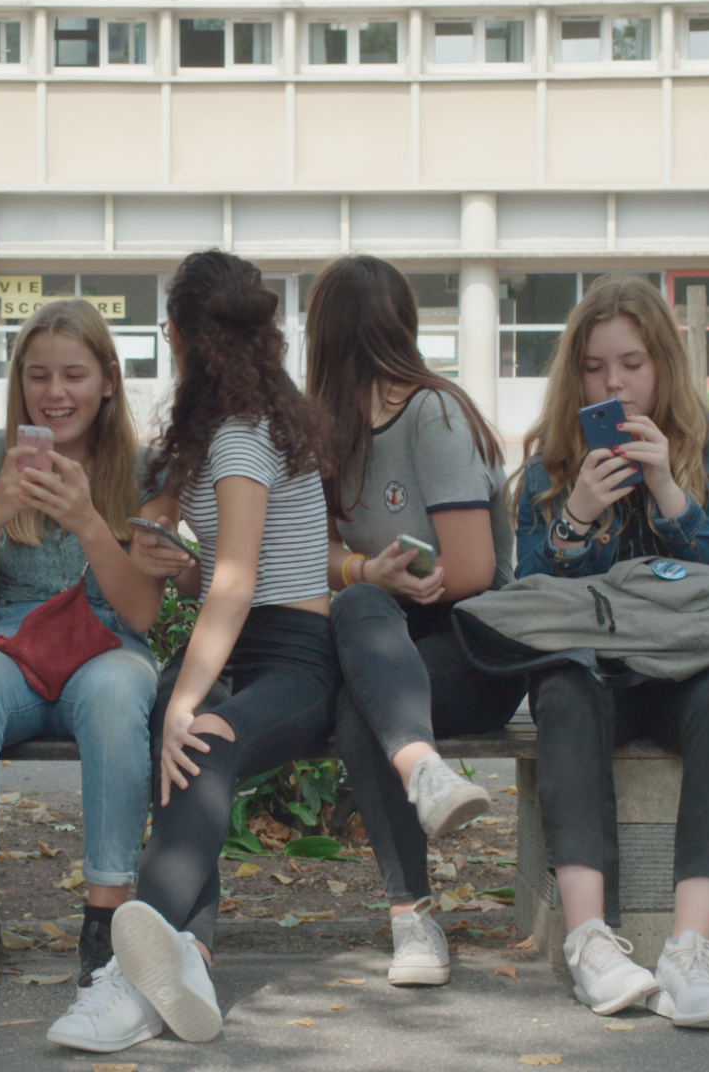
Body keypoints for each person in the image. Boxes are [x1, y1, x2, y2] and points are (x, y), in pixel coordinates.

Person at [46, 250, 335, 1054]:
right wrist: (174, 564)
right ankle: (189, 962)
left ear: (176, 336)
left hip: (293, 657)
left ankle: (131, 970)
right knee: (175, 738)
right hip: (240, 646)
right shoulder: (220, 428)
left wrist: (183, 701)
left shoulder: (241, 438)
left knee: (195, 739)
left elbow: (237, 586)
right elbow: (210, 580)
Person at [512, 274, 709, 1031]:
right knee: (562, 685)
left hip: (690, 669)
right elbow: (530, 596)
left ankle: (689, 951)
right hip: (601, 672)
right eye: (596, 367)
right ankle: (589, 943)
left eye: (632, 364)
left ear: (663, 363)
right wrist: (576, 515)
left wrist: (669, 488)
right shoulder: (551, 463)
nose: (615, 384)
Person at [0, 299, 165, 1013]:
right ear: (19, 382)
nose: (55, 393)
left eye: (73, 375)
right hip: (11, 638)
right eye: (38, 376)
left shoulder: (144, 470)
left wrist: (89, 520)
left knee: (118, 696)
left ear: (108, 381)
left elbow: (142, 612)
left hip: (107, 640)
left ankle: (105, 925)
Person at [302, 255, 523, 987]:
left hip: (473, 643)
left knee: (361, 705)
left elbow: (475, 568)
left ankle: (412, 916)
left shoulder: (434, 412)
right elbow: (323, 553)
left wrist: (401, 579)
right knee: (360, 605)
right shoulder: (329, 430)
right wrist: (368, 572)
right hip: (385, 639)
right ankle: (422, 774)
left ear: (324, 334)